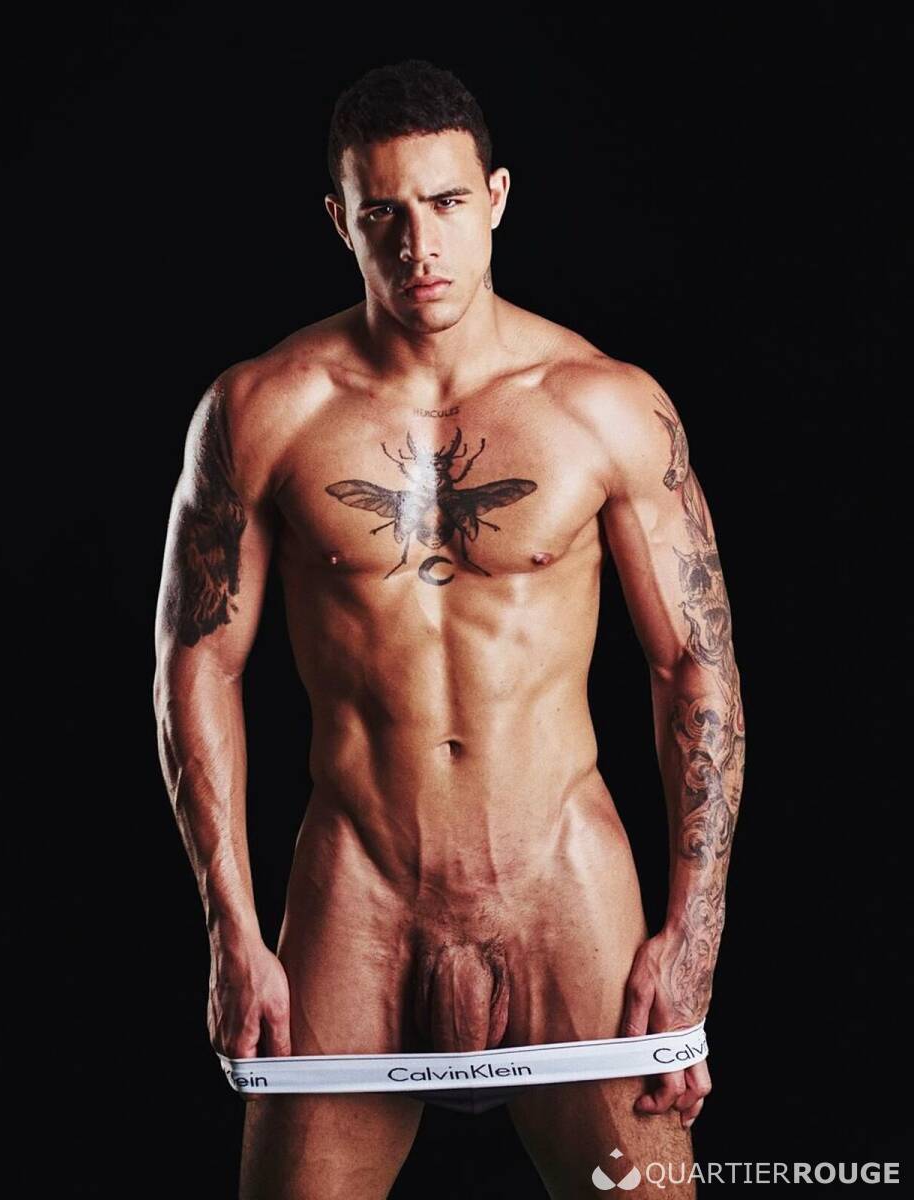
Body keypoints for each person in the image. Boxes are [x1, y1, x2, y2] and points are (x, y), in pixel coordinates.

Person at [152, 57, 745, 1200]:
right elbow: (198, 664)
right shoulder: (264, 410)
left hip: (561, 879)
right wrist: (231, 926)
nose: (419, 245)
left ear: (498, 200)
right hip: (360, 886)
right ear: (340, 221)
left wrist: (695, 929)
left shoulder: (603, 404)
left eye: (446, 202)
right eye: (383, 213)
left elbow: (694, 663)